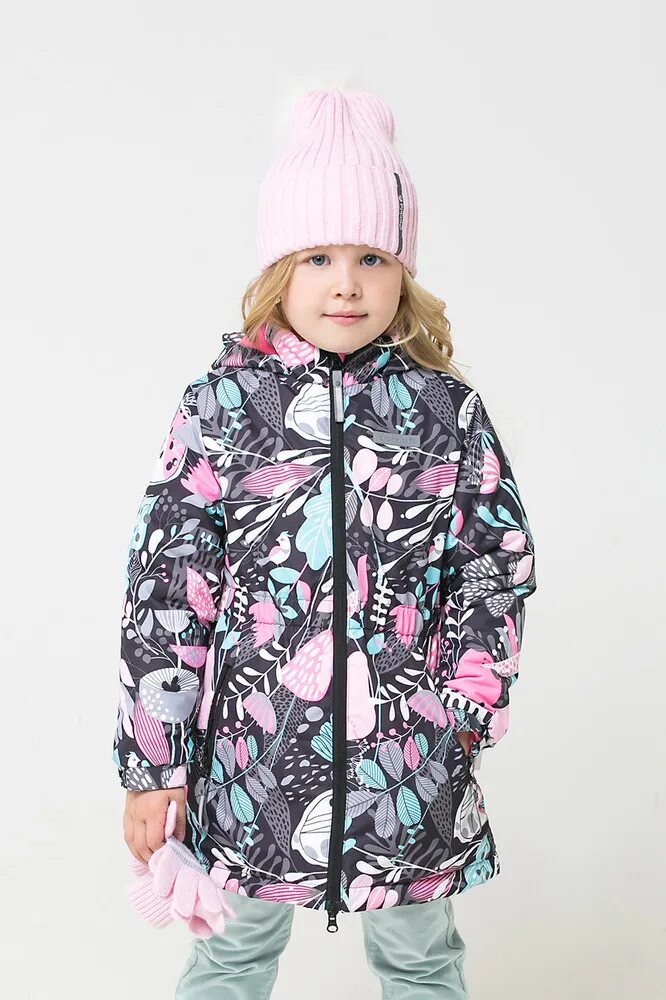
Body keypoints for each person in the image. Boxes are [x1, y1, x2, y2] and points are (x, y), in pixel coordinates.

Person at [113, 88, 537, 998]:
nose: (346, 283)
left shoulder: (446, 412)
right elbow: (167, 592)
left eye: (371, 257)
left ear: (403, 273)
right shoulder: (223, 408)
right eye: (319, 256)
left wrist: (464, 711)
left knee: (422, 960)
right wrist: (155, 765)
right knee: (230, 956)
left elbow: (493, 567)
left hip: (409, 764)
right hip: (251, 767)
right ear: (280, 269)